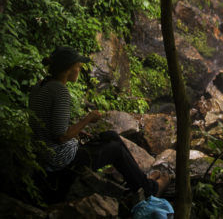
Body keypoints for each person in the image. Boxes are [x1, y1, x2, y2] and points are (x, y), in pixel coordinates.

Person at [29, 46, 169, 197]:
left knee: (111, 135)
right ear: (68, 68)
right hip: (59, 158)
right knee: (115, 149)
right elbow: (61, 136)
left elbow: (50, 123)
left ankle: (141, 180)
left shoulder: (40, 85)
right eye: (78, 66)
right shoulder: (60, 92)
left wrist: (77, 129)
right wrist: (87, 119)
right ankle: (149, 189)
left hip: (44, 153)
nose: (80, 70)